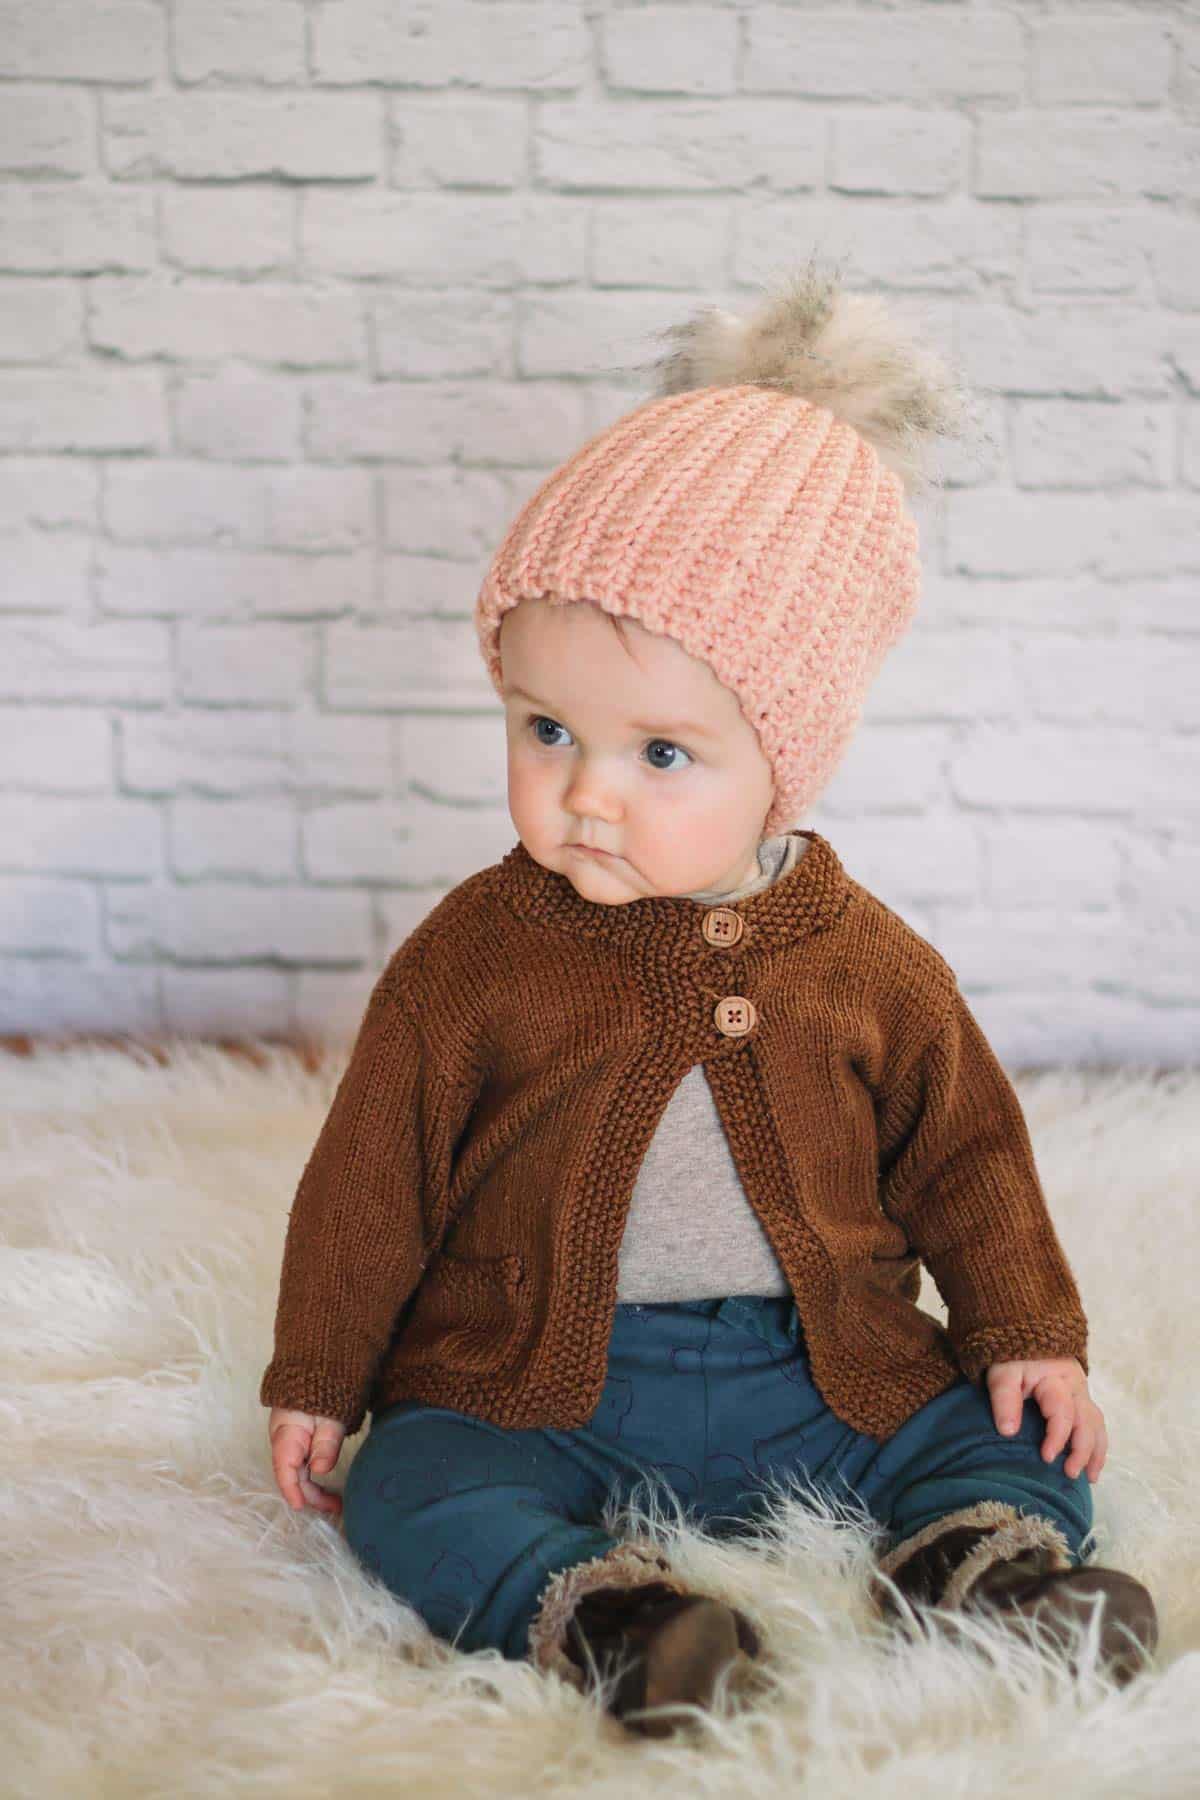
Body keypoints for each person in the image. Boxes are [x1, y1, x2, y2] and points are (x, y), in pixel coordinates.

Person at [261, 257, 1159, 1738]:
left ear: (783, 762)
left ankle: (984, 1570)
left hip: (821, 1371)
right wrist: (321, 1370)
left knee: (1021, 1440)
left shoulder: (869, 966)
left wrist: (1024, 1332)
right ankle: (617, 1622)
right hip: (537, 1372)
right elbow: (373, 1172)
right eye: (546, 728)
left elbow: (969, 1157)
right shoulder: (476, 954)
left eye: (660, 755)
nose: (587, 793)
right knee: (408, 1487)